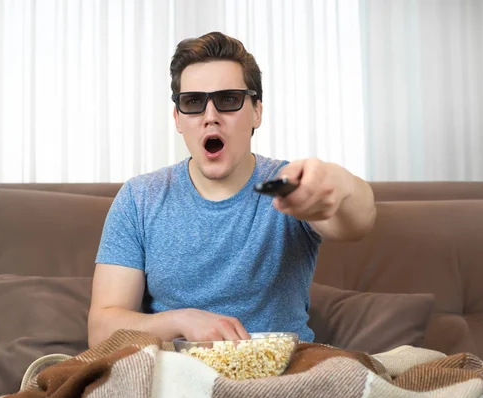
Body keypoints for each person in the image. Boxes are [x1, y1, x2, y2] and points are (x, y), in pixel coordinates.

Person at [88, 31, 376, 347]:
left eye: (228, 100)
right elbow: (102, 331)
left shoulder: (292, 186)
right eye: (193, 102)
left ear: (257, 112)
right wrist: (181, 321)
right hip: (178, 379)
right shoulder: (139, 198)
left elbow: (360, 221)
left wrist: (337, 185)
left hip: (282, 378)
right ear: (178, 118)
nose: (210, 117)